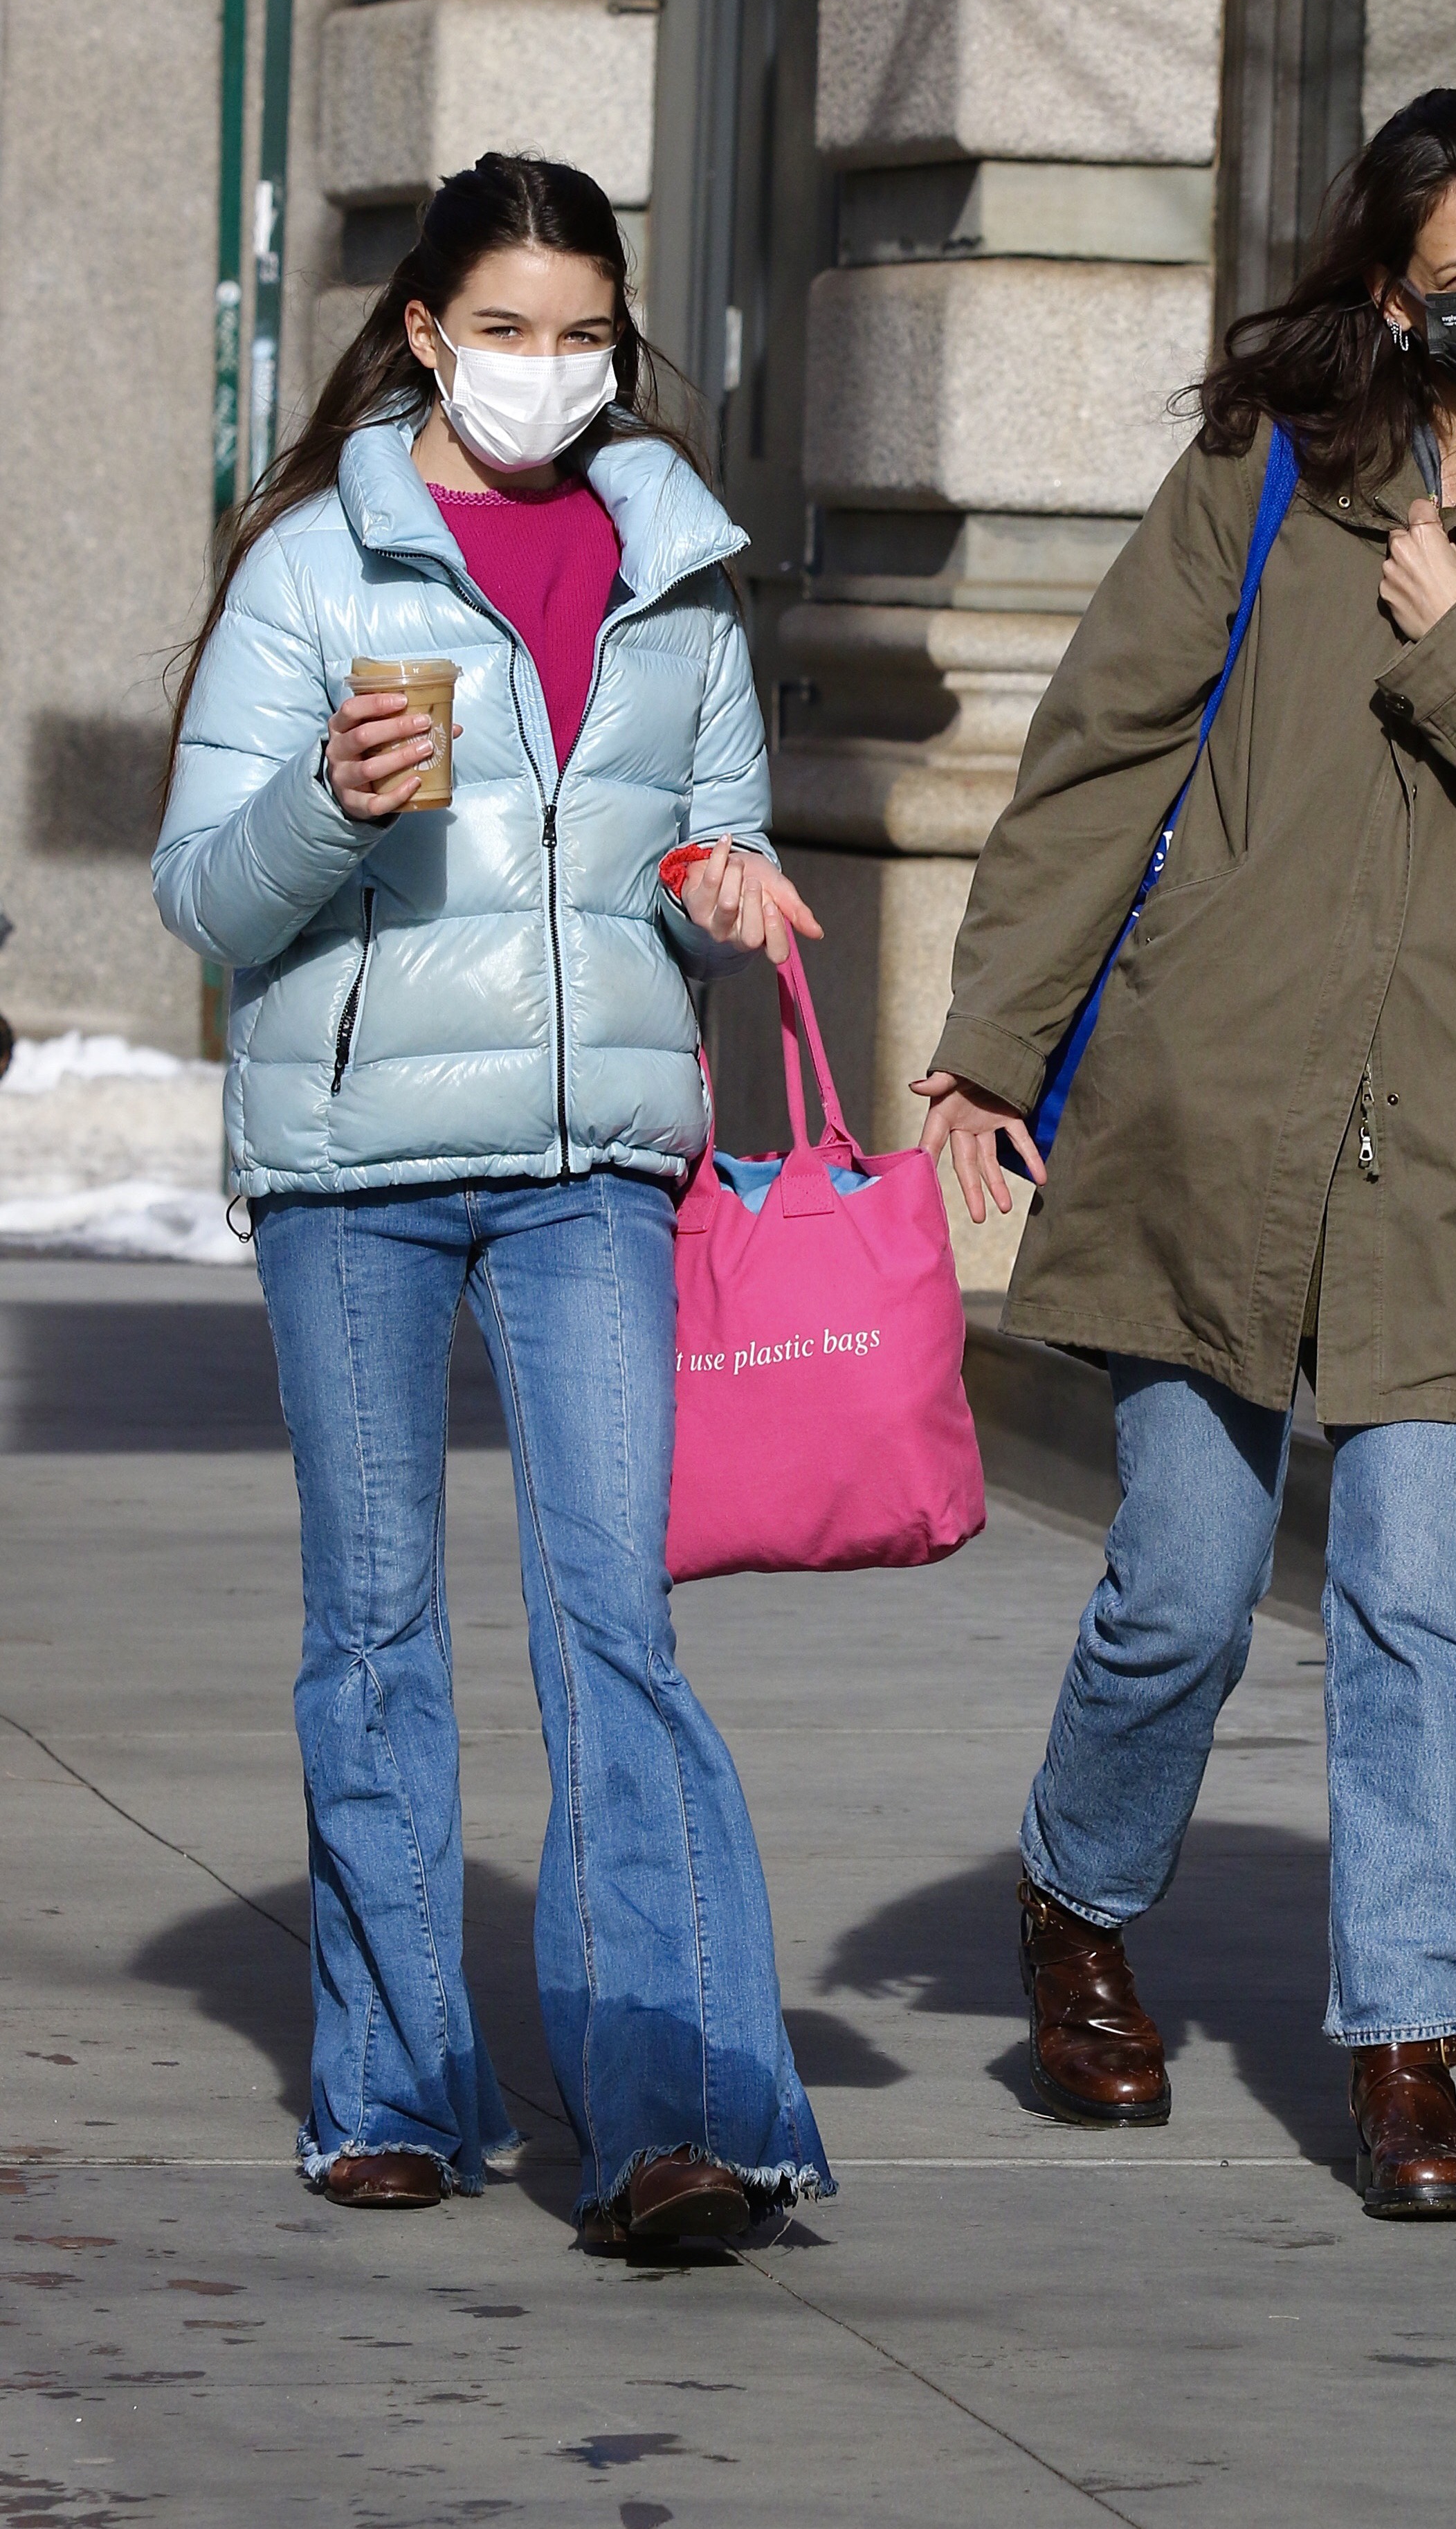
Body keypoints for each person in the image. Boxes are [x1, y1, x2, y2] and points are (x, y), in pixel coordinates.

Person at [915, 90, 1456, 2220]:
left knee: (1410, 1603)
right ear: (1391, 292)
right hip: (1220, 1101)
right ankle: (1076, 1898)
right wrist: (994, 1040)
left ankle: (1405, 2045)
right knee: (1180, 1595)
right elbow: (1102, 746)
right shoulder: (1269, 468)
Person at [154, 152, 832, 2246]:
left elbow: (701, 844)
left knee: (609, 1622)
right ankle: (390, 2088)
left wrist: (718, 890)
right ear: (432, 332)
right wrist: (326, 809)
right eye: (510, 330)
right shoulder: (313, 569)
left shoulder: (678, 568)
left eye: (588, 333)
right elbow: (203, 892)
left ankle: (671, 2119)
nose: (552, 370)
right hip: (358, 1165)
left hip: (587, 1174)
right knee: (374, 1632)